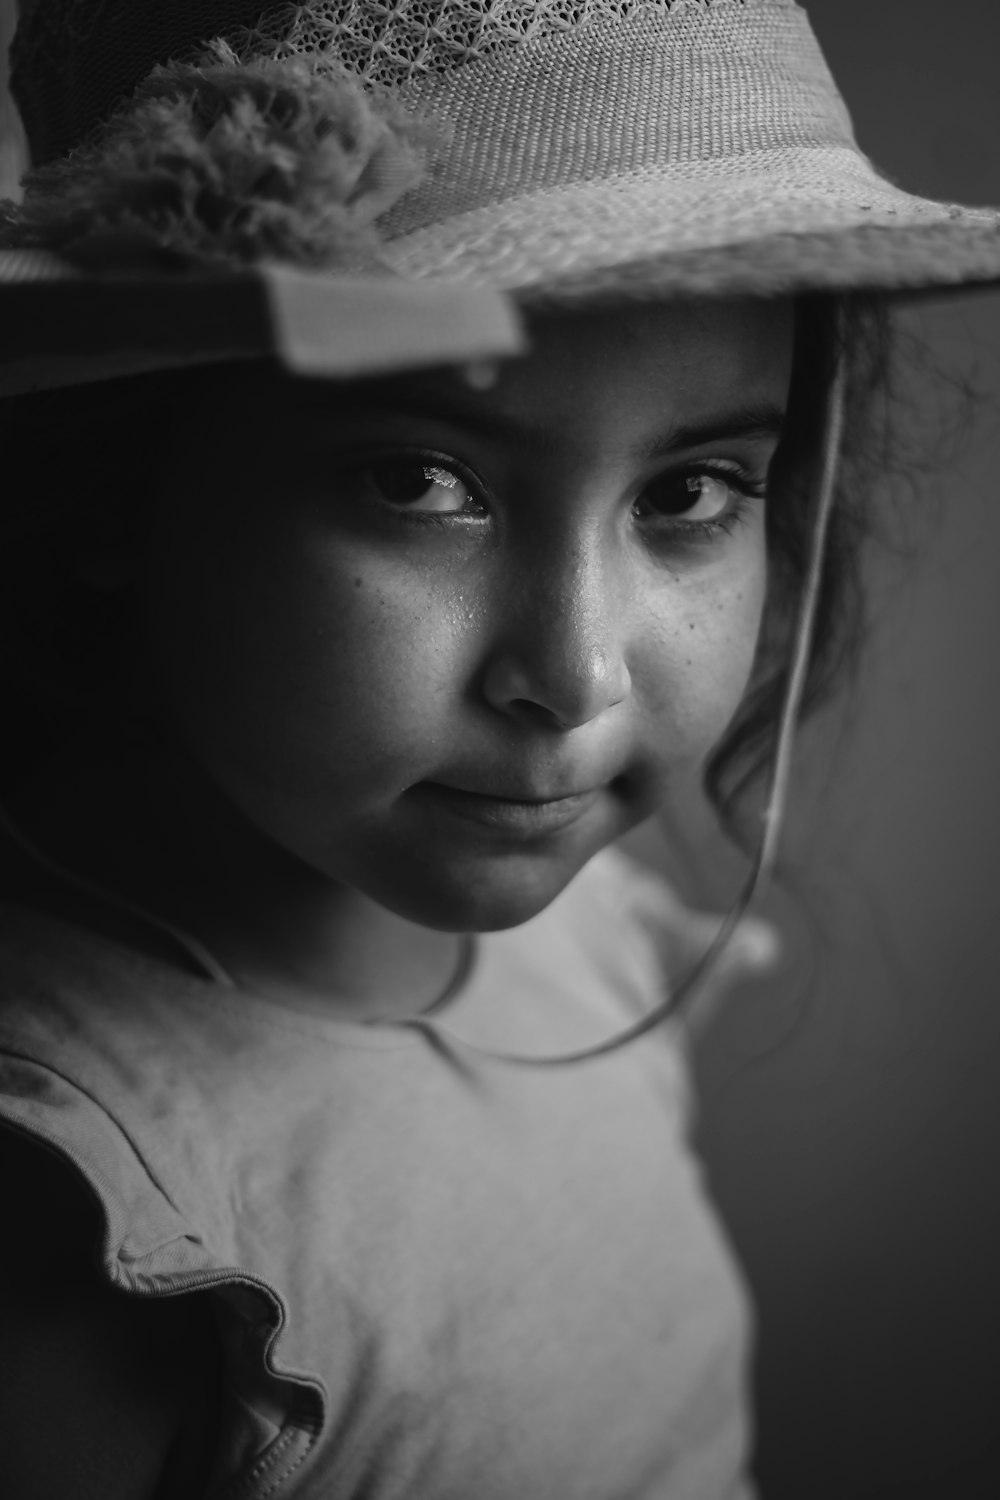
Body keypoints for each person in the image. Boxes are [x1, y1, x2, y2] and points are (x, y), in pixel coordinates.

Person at [0, 2, 997, 1497]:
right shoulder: (84, 1242)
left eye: (693, 492)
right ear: (115, 491)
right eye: (420, 480)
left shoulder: (578, 926)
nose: (574, 675)